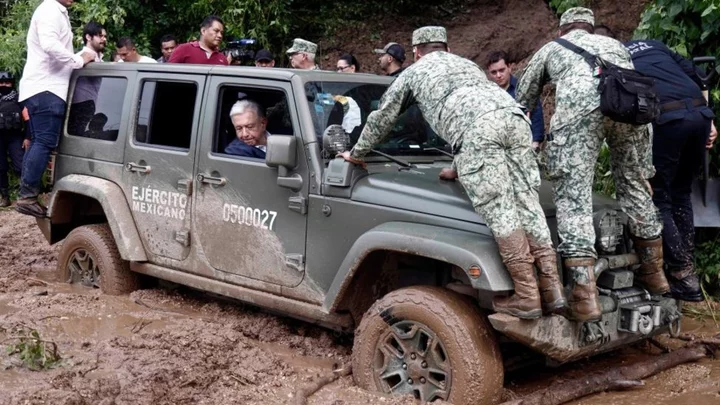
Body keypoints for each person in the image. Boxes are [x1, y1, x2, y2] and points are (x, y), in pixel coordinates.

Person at [339, 26, 566, 319]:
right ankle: (552, 289)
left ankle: (526, 296)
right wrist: (458, 168)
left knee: (500, 209)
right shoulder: (467, 65)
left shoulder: (414, 72)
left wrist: (357, 154)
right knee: (527, 201)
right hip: (515, 118)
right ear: (446, 48)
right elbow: (477, 112)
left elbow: (384, 117)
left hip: (479, 133)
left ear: (416, 52)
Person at [516, 7, 669, 321]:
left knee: (574, 197)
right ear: (590, 26)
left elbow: (523, 99)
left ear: (563, 30)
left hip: (580, 115)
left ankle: (584, 298)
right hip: (630, 110)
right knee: (635, 186)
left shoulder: (552, 48)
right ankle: (655, 273)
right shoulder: (615, 46)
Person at [624, 38, 717, 302]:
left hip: (668, 119)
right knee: (681, 192)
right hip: (699, 114)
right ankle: (688, 267)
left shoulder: (615, 54)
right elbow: (695, 74)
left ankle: (681, 274)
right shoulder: (653, 44)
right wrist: (709, 119)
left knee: (660, 196)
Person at [16, 0, 96, 217]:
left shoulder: (57, 11)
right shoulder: (50, 9)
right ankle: (27, 196)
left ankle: (28, 194)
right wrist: (78, 60)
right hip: (46, 88)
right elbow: (50, 46)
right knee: (43, 141)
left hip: (46, 88)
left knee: (42, 141)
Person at [486, 51, 545, 150]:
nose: (498, 75)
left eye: (501, 70)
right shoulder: (487, 94)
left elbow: (536, 115)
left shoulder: (524, 88)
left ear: (509, 67)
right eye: (494, 72)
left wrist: (535, 142)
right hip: (499, 148)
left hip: (524, 146)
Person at [68, 21, 106, 135]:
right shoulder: (80, 57)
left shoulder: (100, 60)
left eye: (105, 36)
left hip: (90, 105)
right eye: (100, 36)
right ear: (88, 37)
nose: (104, 39)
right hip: (80, 106)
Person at [0, 72, 28, 207]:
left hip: (15, 137)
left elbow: (28, 119)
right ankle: (5, 197)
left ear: (12, 83)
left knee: (20, 166)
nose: (4, 85)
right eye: (1, 82)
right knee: (1, 167)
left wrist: (28, 137)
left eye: (7, 83)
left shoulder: (19, 99)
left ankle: (25, 196)